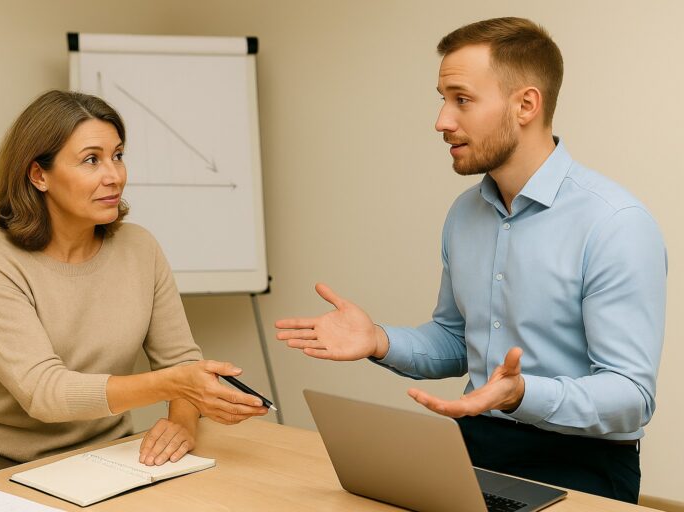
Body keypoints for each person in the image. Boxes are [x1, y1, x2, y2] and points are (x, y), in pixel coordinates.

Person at [276, 17, 666, 504]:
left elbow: (632, 397)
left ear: (526, 104)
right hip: (475, 444)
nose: (442, 120)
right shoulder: (465, 214)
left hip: (581, 466)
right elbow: (459, 340)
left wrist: (522, 394)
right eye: (443, 99)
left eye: (461, 99)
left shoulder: (615, 223)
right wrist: (377, 340)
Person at [0, 90, 268, 488]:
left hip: (104, 451)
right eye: (91, 160)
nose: (115, 175)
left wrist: (183, 423)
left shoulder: (140, 248)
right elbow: (44, 394)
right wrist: (174, 383)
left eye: (117, 155)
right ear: (39, 175)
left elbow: (180, 361)